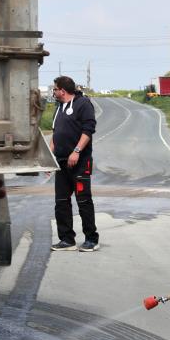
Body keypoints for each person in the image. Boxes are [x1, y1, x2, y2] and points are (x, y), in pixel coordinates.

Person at [50, 76, 99, 252]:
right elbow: (56, 133)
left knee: (83, 200)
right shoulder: (59, 108)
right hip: (61, 163)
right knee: (61, 201)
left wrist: (76, 151)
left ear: (62, 90)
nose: (53, 92)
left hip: (80, 162)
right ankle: (66, 239)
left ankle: (91, 239)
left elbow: (88, 130)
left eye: (55, 89)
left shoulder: (83, 104)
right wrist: (50, 157)